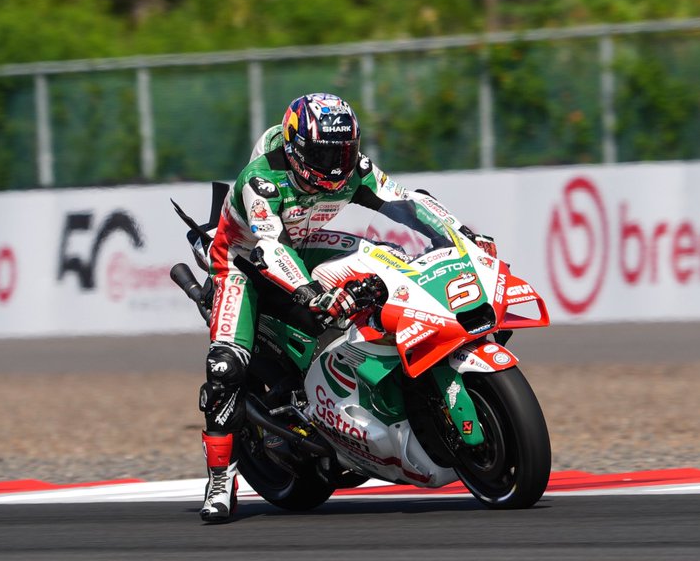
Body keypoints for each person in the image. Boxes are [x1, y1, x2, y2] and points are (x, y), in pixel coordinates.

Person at [198, 92, 495, 522]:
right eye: (324, 153)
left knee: (385, 256)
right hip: (244, 262)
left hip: (303, 244)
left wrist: (463, 235)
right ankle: (221, 482)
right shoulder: (260, 181)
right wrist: (311, 293)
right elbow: (270, 248)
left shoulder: (353, 169)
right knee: (225, 367)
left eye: (345, 150)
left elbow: (406, 201)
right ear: (296, 148)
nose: (337, 164)